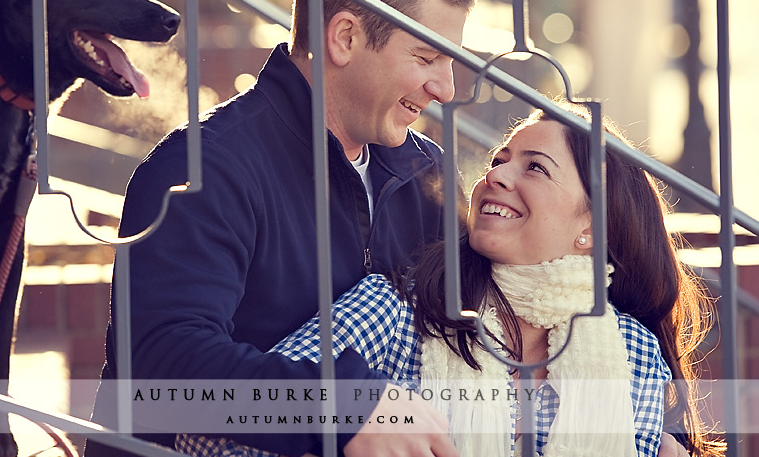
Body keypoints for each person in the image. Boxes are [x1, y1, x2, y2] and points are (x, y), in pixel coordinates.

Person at [84, 0, 478, 457]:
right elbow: (163, 364)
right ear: (344, 37)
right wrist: (344, 410)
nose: (446, 87)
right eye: (428, 56)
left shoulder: (429, 174)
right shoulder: (200, 168)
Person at [250, 100, 724, 457]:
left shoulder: (632, 355)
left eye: (535, 167)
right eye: (500, 160)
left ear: (590, 229)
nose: (496, 175)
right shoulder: (398, 311)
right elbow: (218, 426)